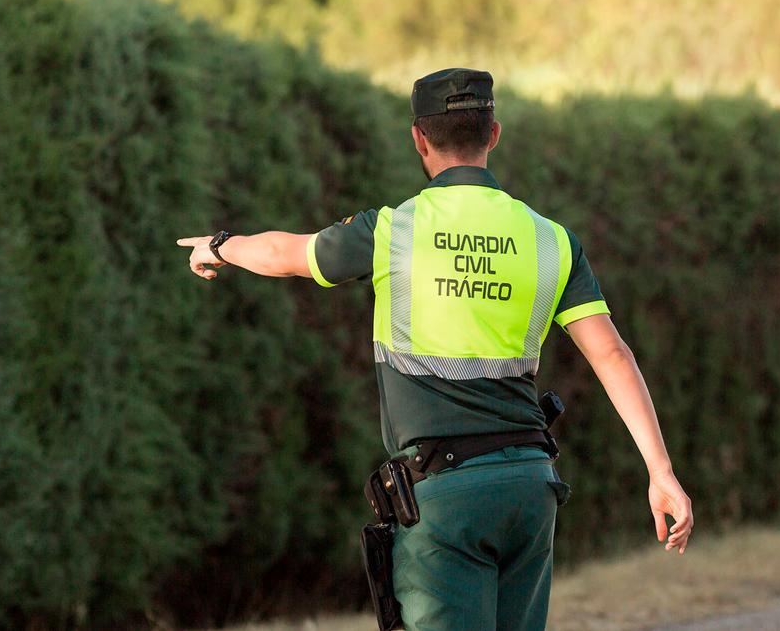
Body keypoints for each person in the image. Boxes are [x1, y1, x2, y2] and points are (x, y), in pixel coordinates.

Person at [176, 68, 693, 629]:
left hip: (443, 499)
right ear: (493, 133)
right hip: (528, 486)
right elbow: (612, 354)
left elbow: (284, 252)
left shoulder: (392, 231)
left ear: (418, 139)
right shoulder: (551, 239)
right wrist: (660, 471)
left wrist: (220, 247)